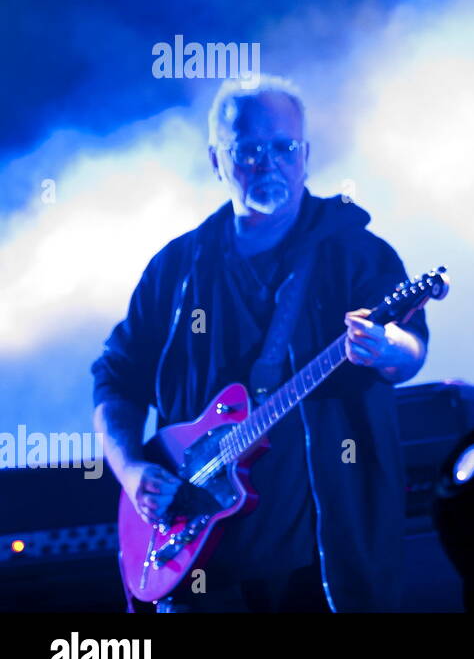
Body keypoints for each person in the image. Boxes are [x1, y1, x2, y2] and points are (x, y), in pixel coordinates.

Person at [92, 76, 428, 612]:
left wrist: (387, 348)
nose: (267, 162)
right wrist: (133, 472)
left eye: (284, 147)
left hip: (323, 566)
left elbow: (410, 351)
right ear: (215, 159)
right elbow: (115, 380)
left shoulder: (356, 253)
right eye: (247, 150)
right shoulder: (175, 270)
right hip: (201, 564)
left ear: (307, 155)